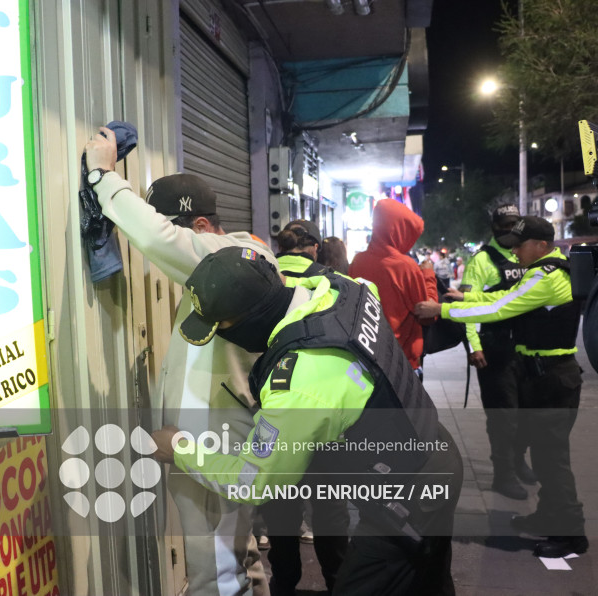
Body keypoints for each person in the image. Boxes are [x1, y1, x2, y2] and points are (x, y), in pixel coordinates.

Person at [153, 246, 463, 595]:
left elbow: (254, 481)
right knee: (428, 581)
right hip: (433, 448)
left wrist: (179, 448)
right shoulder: (341, 288)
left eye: (221, 327)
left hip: (408, 498)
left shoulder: (298, 384)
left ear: (249, 320)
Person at [85, 127, 271, 596]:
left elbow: (157, 237)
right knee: (235, 557)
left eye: (177, 227)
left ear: (203, 228)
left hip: (215, 442)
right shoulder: (232, 266)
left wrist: (103, 175)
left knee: (215, 572)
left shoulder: (230, 257)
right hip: (209, 438)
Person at [415, 216, 588, 558]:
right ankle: (549, 516)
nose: (515, 252)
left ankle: (571, 534)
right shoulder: (543, 272)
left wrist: (444, 309)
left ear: (541, 245)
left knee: (552, 460)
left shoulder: (548, 276)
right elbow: (506, 294)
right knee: (542, 454)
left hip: (553, 377)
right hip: (542, 375)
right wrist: (463, 296)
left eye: (519, 245)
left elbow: (501, 307)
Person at [266, 219, 350, 595]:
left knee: (282, 509)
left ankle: (284, 585)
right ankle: (338, 582)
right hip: (328, 417)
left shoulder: (261, 280)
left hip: (275, 410)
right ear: (316, 247)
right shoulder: (341, 286)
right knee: (331, 508)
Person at [458, 204, 534, 500]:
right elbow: (465, 306)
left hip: (527, 348)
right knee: (504, 417)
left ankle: (518, 461)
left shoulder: (526, 255)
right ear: (494, 228)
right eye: (503, 226)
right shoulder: (482, 260)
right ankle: (503, 474)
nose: (508, 232)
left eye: (513, 225)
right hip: (494, 348)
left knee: (527, 412)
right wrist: (474, 345)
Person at [348, 199, 438, 373]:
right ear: (398, 230)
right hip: (402, 361)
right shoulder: (405, 266)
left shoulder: (358, 261)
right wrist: (428, 275)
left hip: (366, 355)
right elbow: (427, 313)